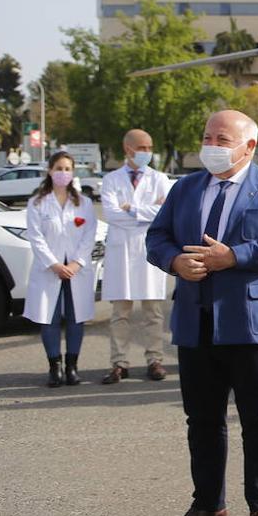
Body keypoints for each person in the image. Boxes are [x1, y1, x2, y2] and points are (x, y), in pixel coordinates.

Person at [146, 110, 258, 516]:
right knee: (203, 420)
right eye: (207, 135)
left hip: (252, 323)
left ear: (249, 147)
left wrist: (233, 256)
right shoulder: (186, 187)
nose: (211, 143)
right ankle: (208, 506)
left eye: (222, 137)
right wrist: (174, 261)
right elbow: (157, 238)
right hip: (196, 322)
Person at [99, 129, 171, 384]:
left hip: (148, 251)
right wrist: (146, 214)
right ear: (128, 149)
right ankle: (119, 363)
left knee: (153, 313)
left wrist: (131, 209)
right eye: (142, 148)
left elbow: (164, 214)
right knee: (120, 313)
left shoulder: (160, 178)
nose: (147, 153)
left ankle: (155, 360)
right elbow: (110, 214)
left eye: (150, 148)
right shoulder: (111, 180)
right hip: (121, 252)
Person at [24, 152, 98, 388]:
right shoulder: (37, 202)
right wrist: (55, 264)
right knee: (50, 319)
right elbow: (36, 238)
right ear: (49, 170)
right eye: (59, 168)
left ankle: (72, 367)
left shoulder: (84, 203)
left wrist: (76, 263)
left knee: (76, 319)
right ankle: (54, 367)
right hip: (50, 270)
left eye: (68, 169)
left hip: (76, 270)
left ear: (73, 172)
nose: (63, 173)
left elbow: (89, 236)